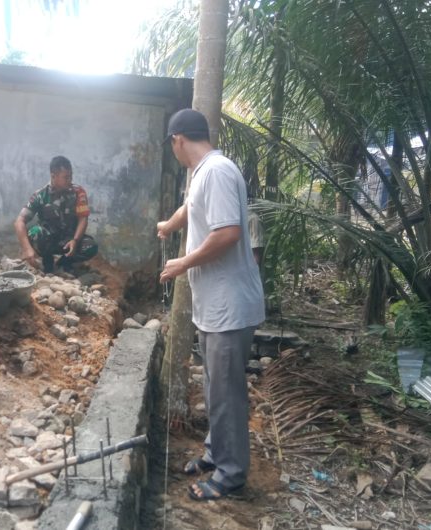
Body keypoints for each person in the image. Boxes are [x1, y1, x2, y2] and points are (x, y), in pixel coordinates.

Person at [158, 109, 265, 501]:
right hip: (215, 308)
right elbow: (191, 208)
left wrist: (183, 263)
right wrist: (170, 225)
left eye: (171, 145)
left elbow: (228, 233)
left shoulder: (217, 172)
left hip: (228, 308)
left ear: (177, 140)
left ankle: (231, 475)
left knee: (226, 393)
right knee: (213, 387)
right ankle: (215, 453)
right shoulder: (203, 172)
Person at [14, 156, 98, 274]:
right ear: (53, 176)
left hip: (70, 241)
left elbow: (83, 218)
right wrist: (27, 249)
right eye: (66, 177)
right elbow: (19, 221)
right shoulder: (41, 195)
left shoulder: (78, 192)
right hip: (49, 240)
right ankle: (47, 262)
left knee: (90, 247)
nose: (70, 180)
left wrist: (75, 240)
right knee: (35, 233)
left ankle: (64, 263)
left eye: (71, 176)